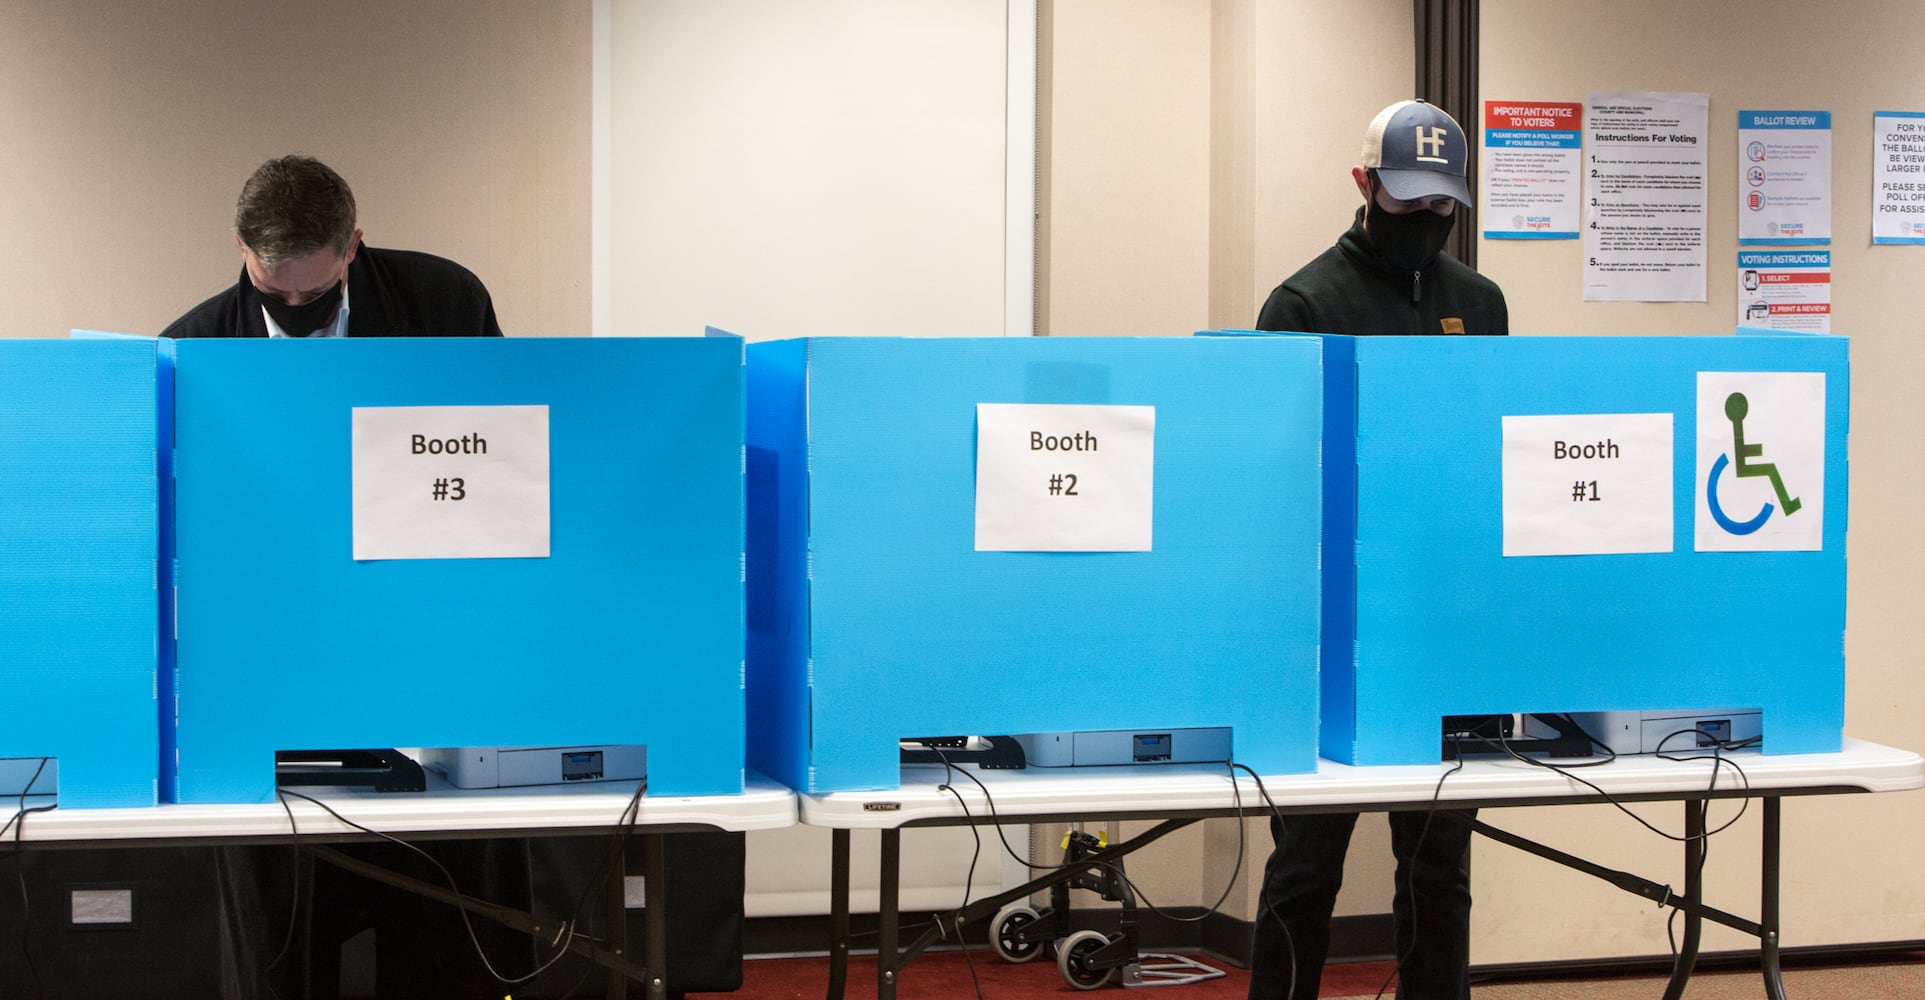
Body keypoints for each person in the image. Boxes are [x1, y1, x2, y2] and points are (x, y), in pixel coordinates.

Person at [1250, 100, 1507, 1000]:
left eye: (1442, 206)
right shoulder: (1304, 302)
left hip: (1442, 622)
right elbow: (1275, 479)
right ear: (1363, 186)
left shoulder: (1479, 303)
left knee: (1439, 865)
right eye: (1407, 202)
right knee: (1306, 863)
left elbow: (1487, 451)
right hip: (1331, 627)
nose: (1426, 222)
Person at [162, 154, 502, 339]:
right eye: (273, 293)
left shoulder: (449, 305)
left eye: (313, 295)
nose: (294, 307)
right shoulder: (192, 347)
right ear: (241, 247)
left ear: (351, 247)